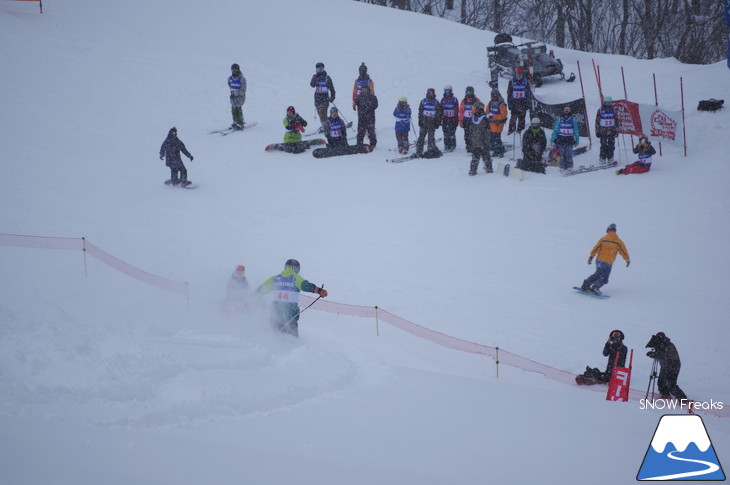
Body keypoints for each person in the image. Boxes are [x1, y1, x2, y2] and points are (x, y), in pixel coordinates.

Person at [255, 259, 328, 337]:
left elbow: (262, 289)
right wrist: (319, 290)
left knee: (274, 337)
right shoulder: (295, 278)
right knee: (291, 340)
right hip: (290, 316)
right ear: (297, 269)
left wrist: (252, 297)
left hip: (275, 314)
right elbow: (305, 285)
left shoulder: (275, 279)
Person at [581, 223, 630, 295]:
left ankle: (586, 284)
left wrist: (591, 257)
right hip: (608, 262)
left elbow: (596, 248)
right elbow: (623, 251)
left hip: (599, 260)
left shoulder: (603, 239)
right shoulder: (618, 242)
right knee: (605, 278)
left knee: (598, 273)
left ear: (608, 230)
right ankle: (595, 287)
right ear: (615, 230)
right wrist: (627, 260)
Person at [646, 332, 687, 400]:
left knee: (671, 384)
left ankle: (683, 399)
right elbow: (659, 355)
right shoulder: (659, 345)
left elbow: (666, 356)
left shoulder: (669, 345)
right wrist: (653, 354)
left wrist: (655, 354)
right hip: (664, 366)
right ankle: (665, 395)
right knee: (661, 382)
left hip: (673, 366)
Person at [415, 88, 443, 158]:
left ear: (434, 94)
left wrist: (437, 121)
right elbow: (420, 111)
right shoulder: (423, 101)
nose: (431, 94)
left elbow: (438, 112)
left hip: (432, 122)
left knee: (431, 137)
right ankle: (419, 150)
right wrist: (420, 120)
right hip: (424, 121)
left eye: (432, 93)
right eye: (429, 93)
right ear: (427, 93)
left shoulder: (436, 102)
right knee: (421, 136)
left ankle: (430, 150)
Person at [550, 106, 580, 172]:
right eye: (565, 110)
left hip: (569, 139)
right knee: (562, 154)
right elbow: (556, 130)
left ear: (570, 111)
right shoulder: (560, 119)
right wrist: (552, 140)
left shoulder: (573, 119)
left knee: (568, 154)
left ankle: (569, 167)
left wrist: (577, 141)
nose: (567, 111)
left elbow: (576, 131)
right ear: (563, 111)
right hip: (561, 139)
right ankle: (562, 167)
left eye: (568, 110)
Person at [468, 101, 492, 175]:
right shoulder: (473, 118)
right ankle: (473, 170)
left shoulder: (485, 119)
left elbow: (488, 132)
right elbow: (471, 130)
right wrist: (470, 139)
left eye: (475, 108)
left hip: (483, 142)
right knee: (475, 157)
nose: (473, 110)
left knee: (486, 156)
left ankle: (489, 168)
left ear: (479, 109)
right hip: (475, 142)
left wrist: (486, 141)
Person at [506, 67, 532, 135]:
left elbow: (528, 93)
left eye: (520, 72)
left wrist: (528, 103)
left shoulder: (525, 81)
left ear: (522, 73)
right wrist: (509, 103)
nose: (519, 74)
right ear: (515, 72)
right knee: (513, 118)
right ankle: (511, 131)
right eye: (518, 72)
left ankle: (520, 132)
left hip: (522, 103)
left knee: (522, 119)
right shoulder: (511, 81)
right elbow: (509, 93)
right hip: (514, 103)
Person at [595, 96, 620, 165]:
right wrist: (597, 131)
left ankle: (610, 158)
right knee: (603, 145)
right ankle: (602, 159)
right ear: (604, 102)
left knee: (611, 145)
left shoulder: (614, 110)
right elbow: (597, 121)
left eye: (609, 102)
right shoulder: (600, 110)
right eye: (606, 102)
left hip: (611, 131)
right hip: (603, 131)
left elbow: (617, 121)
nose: (608, 104)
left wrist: (616, 130)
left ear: (611, 102)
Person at [487, 88, 508, 158]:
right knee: (492, 138)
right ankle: (496, 150)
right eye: (493, 95)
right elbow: (487, 111)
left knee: (497, 138)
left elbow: (503, 115)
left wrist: (493, 116)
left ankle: (501, 150)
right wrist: (488, 116)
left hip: (498, 124)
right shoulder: (490, 103)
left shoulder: (501, 104)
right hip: (491, 124)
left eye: (495, 95)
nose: (494, 97)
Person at [460, 86, 481, 153]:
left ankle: (474, 145)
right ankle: (468, 145)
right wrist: (460, 120)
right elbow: (461, 111)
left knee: (474, 133)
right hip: (466, 119)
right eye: (468, 92)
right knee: (467, 133)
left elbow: (480, 110)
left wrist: (479, 119)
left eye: (471, 92)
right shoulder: (464, 101)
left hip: (473, 120)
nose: (469, 94)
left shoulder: (476, 100)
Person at [440, 85, 460, 152]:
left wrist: (456, 119)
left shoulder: (454, 99)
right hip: (445, 119)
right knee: (445, 133)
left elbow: (457, 109)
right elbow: (441, 109)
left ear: (451, 91)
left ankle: (452, 145)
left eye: (448, 91)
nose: (447, 92)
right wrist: (441, 118)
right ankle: (446, 144)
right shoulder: (443, 100)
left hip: (452, 119)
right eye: (446, 91)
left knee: (452, 132)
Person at [228, 63, 247, 130]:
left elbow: (243, 90)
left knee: (237, 109)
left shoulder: (242, 79)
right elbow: (230, 86)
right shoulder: (229, 78)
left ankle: (240, 123)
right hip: (233, 97)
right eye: (233, 70)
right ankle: (235, 122)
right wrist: (232, 94)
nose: (234, 72)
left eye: (235, 70)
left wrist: (235, 93)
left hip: (240, 97)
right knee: (233, 109)